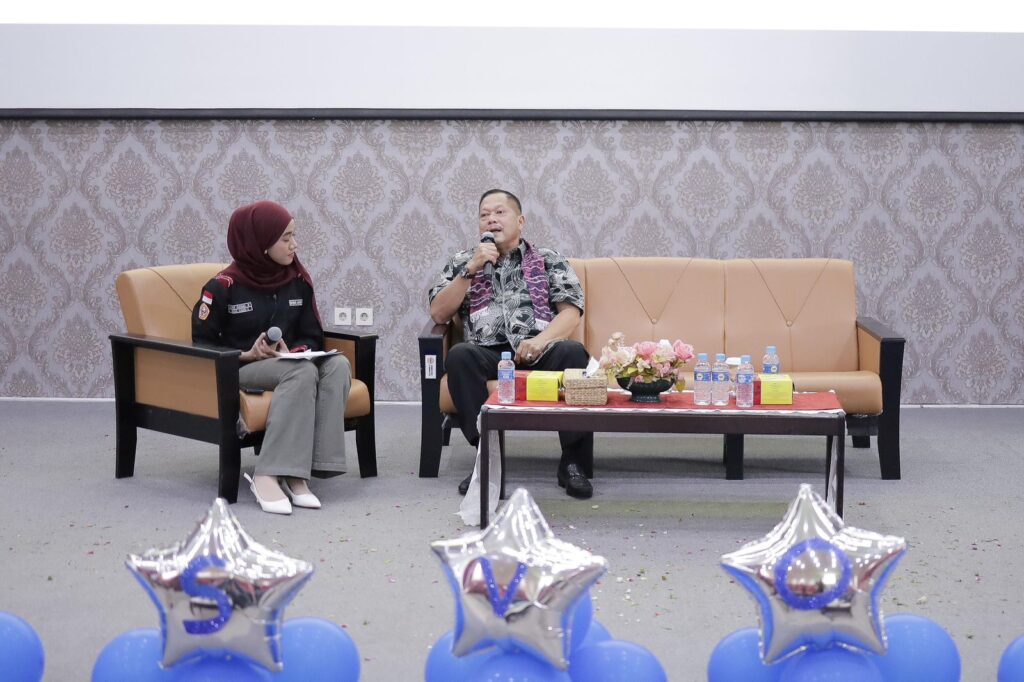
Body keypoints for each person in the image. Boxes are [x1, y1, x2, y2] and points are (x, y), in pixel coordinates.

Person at [429, 189, 594, 499]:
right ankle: (487, 458)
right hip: (487, 351)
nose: (491, 219)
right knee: (460, 356)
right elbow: (439, 313)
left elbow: (570, 313)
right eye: (484, 215)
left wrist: (540, 341)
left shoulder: (548, 259)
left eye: (499, 212)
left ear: (520, 221)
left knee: (572, 352)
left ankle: (573, 462)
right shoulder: (463, 262)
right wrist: (470, 270)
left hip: (539, 347)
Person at [192, 200, 351, 515]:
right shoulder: (222, 287)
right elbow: (202, 344)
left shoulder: (297, 281)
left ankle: (301, 471)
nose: (294, 245)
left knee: (338, 365)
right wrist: (246, 354)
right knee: (302, 373)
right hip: (239, 368)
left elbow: (312, 335)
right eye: (285, 238)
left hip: (283, 363)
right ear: (259, 243)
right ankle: (267, 474)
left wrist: (292, 352)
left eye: (294, 235)